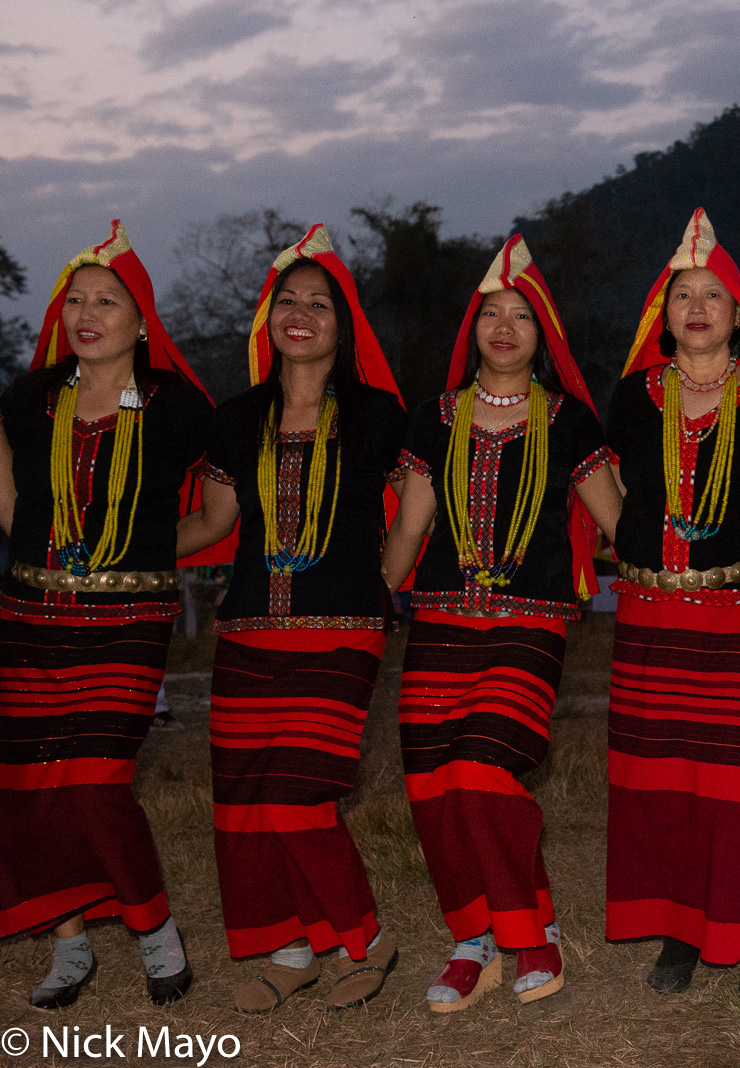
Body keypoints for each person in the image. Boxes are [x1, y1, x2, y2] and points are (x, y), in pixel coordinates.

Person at [381, 235, 623, 1011]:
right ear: (473, 329)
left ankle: (532, 930)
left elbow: (619, 523)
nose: (507, 326)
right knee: (433, 785)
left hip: (531, 619)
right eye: (493, 313)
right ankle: (471, 942)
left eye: (522, 315)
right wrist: (363, 596)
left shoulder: (570, 421)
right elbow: (410, 535)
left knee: (484, 769)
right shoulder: (435, 417)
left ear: (542, 336)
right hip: (442, 621)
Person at [175, 224, 408, 1013]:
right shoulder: (236, 419)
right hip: (245, 630)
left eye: (320, 303)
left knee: (299, 796)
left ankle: (367, 939)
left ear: (344, 328)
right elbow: (210, 523)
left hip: (343, 630)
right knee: (244, 800)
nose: (301, 312)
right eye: (288, 300)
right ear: (269, 320)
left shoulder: (379, 415)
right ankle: (290, 949)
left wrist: (382, 583)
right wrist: (117, 554)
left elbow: (418, 509)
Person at [603, 209, 740, 999]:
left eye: (713, 296)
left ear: (738, 315)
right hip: (650, 612)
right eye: (682, 296)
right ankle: (681, 930)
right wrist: (637, 549)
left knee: (737, 779)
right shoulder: (634, 399)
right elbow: (620, 493)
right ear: (663, 318)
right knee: (662, 780)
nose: (697, 308)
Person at [0, 221, 212, 1009]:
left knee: (93, 780)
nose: (87, 313)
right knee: (30, 783)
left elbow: (219, 513)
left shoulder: (175, 406)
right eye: (75, 300)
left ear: (141, 318)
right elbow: (14, 497)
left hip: (127, 619)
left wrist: (140, 556)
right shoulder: (31, 396)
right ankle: (70, 942)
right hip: (30, 612)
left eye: (107, 301)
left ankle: (153, 928)